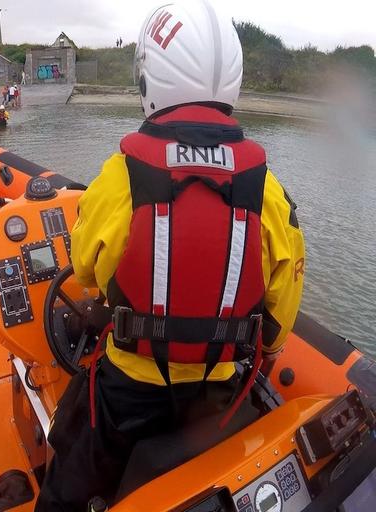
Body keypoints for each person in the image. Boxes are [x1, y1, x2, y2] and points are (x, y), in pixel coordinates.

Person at [35, 1, 306, 509]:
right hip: (219, 400)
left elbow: (89, 270)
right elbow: (282, 300)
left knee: (64, 475)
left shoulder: (120, 177)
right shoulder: (266, 189)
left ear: (149, 79)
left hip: (127, 395)